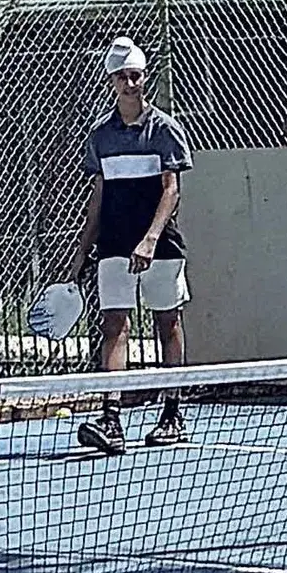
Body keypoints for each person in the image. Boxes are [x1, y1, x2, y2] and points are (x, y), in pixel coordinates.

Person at [66, 36, 194, 454]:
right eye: (121, 76)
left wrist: (152, 238)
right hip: (114, 245)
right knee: (113, 326)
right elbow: (99, 194)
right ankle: (111, 418)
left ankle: (173, 412)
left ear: (145, 79)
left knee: (167, 323)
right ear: (112, 81)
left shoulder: (166, 130)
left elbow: (171, 190)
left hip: (160, 246)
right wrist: (84, 246)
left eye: (135, 75)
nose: (129, 82)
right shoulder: (101, 136)